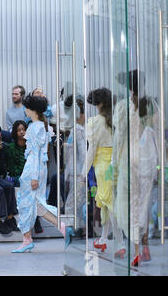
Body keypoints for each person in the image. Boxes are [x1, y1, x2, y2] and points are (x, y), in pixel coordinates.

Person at [113, 70, 159, 266]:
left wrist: (114, 162)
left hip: (129, 160)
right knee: (144, 204)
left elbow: (119, 137)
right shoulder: (151, 104)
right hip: (148, 160)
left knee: (129, 205)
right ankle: (144, 243)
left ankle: (137, 249)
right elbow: (157, 133)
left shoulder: (124, 107)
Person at [12, 95, 66, 253]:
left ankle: (30, 238)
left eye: (26, 107)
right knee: (35, 204)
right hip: (37, 169)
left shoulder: (36, 127)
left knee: (28, 203)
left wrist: (34, 176)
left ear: (32, 110)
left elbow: (36, 153)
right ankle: (29, 238)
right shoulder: (40, 126)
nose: (25, 109)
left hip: (33, 170)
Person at [85, 88, 122, 257]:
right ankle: (104, 238)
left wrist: (83, 171)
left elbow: (92, 149)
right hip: (116, 164)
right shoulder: (116, 119)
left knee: (109, 202)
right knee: (108, 202)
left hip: (102, 166)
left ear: (99, 104)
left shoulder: (95, 122)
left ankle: (120, 242)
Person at [63, 96, 86, 246]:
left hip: (77, 174)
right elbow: (75, 154)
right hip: (74, 174)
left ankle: (72, 230)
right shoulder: (75, 130)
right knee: (74, 204)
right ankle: (72, 230)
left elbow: (82, 154)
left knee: (73, 204)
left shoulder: (77, 130)